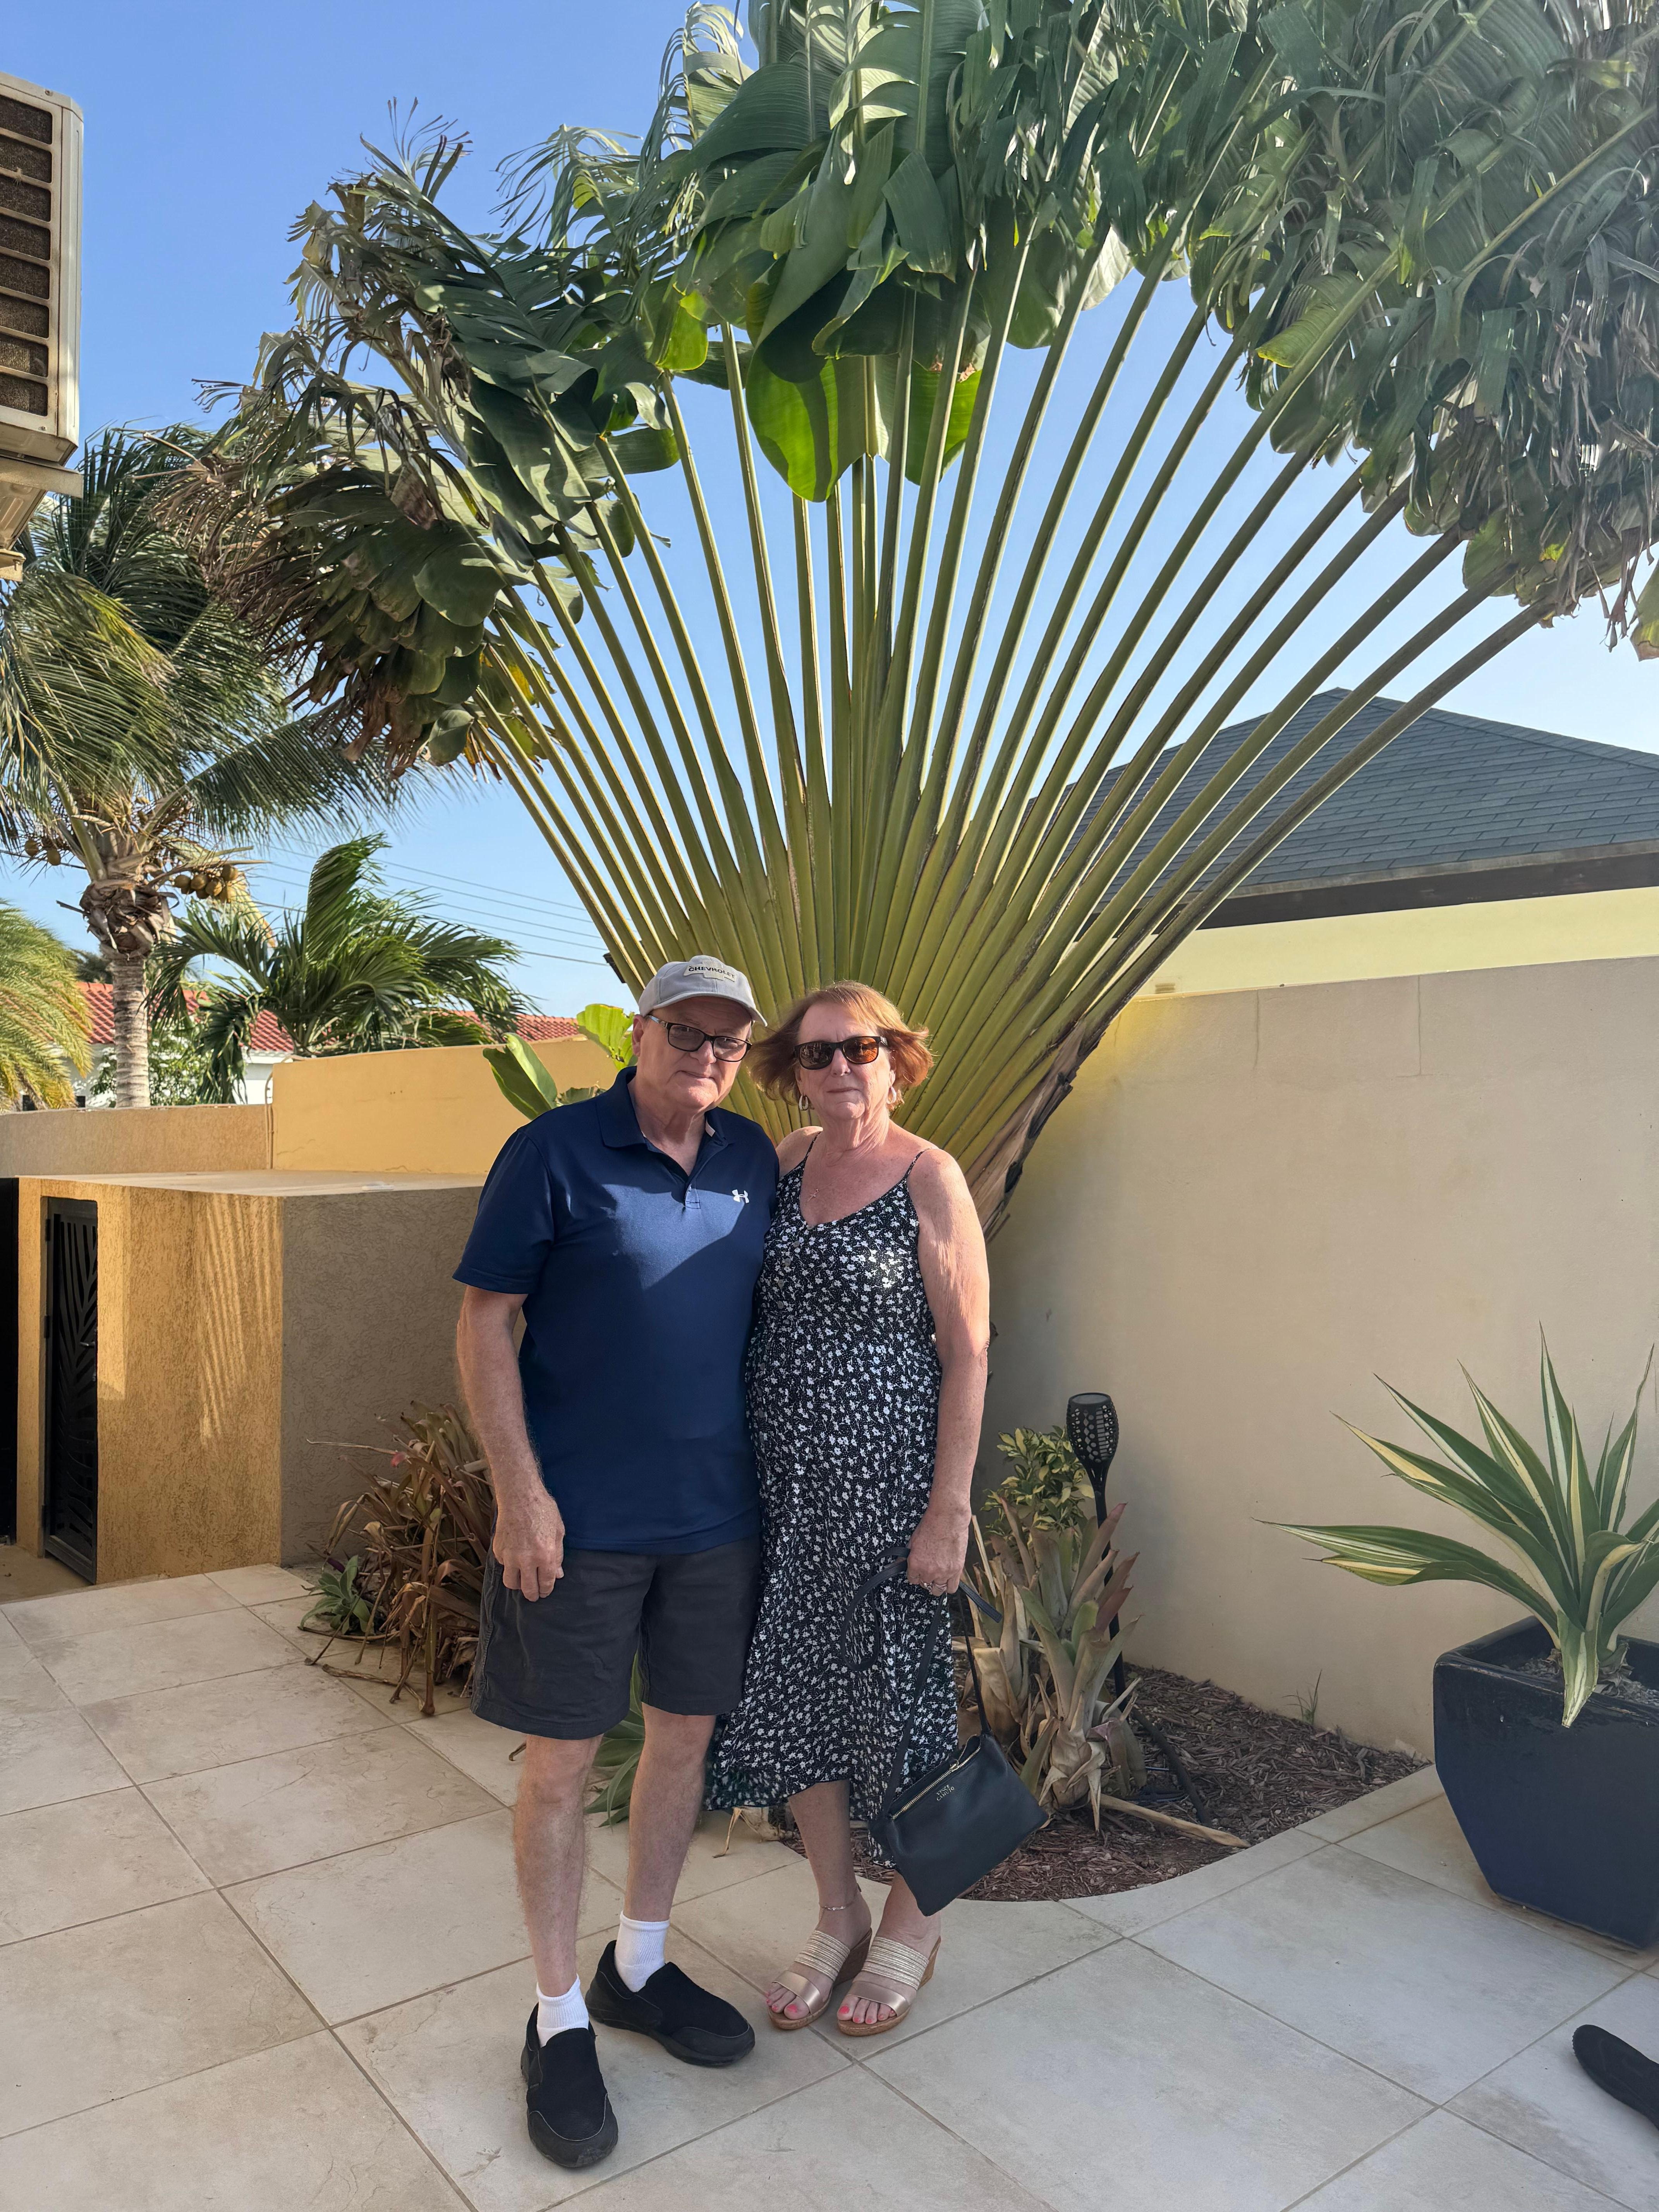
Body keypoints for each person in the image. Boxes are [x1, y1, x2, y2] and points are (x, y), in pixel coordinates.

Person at [454, 954, 779, 2172]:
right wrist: (520, 1493)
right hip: (578, 1521)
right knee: (560, 1768)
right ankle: (557, 2017)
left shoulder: (751, 1157)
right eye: (686, 1031)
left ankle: (636, 1965)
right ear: (638, 1033)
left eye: (727, 1040)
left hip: (715, 1519)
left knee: (682, 1742)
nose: (707, 1054)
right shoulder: (553, 1151)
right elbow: (485, 1318)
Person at [706, 979, 991, 2037]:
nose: (838, 1068)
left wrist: (948, 1511)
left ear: (895, 1060)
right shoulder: (782, 1164)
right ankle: (838, 1913)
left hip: (889, 1495)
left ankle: (915, 1920)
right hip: (783, 1496)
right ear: (793, 1072)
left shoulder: (930, 1176)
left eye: (858, 1049)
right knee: (793, 1702)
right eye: (816, 1053)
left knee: (906, 1708)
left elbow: (968, 1353)